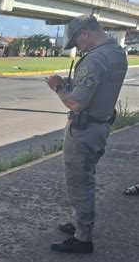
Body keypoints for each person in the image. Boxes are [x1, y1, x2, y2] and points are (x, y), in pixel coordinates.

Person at [45, 14, 128, 254]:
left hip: (84, 130)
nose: (77, 48)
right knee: (86, 177)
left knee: (78, 181)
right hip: (100, 125)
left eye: (76, 42)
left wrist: (58, 86)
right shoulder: (117, 52)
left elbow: (75, 103)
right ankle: (81, 223)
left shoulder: (95, 60)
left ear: (85, 33)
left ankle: (83, 238)